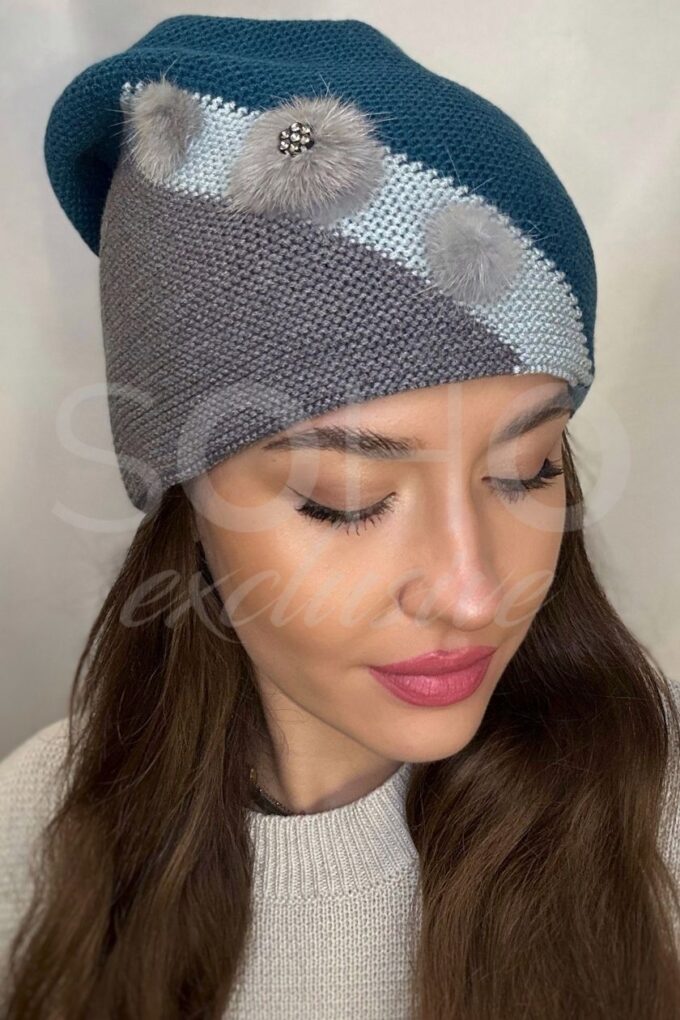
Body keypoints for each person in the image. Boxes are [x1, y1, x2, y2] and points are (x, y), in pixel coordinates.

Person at [1, 14, 679, 1019]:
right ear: (184, 504)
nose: (472, 593)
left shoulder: (656, 818)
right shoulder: (28, 838)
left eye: (526, 472)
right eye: (346, 500)